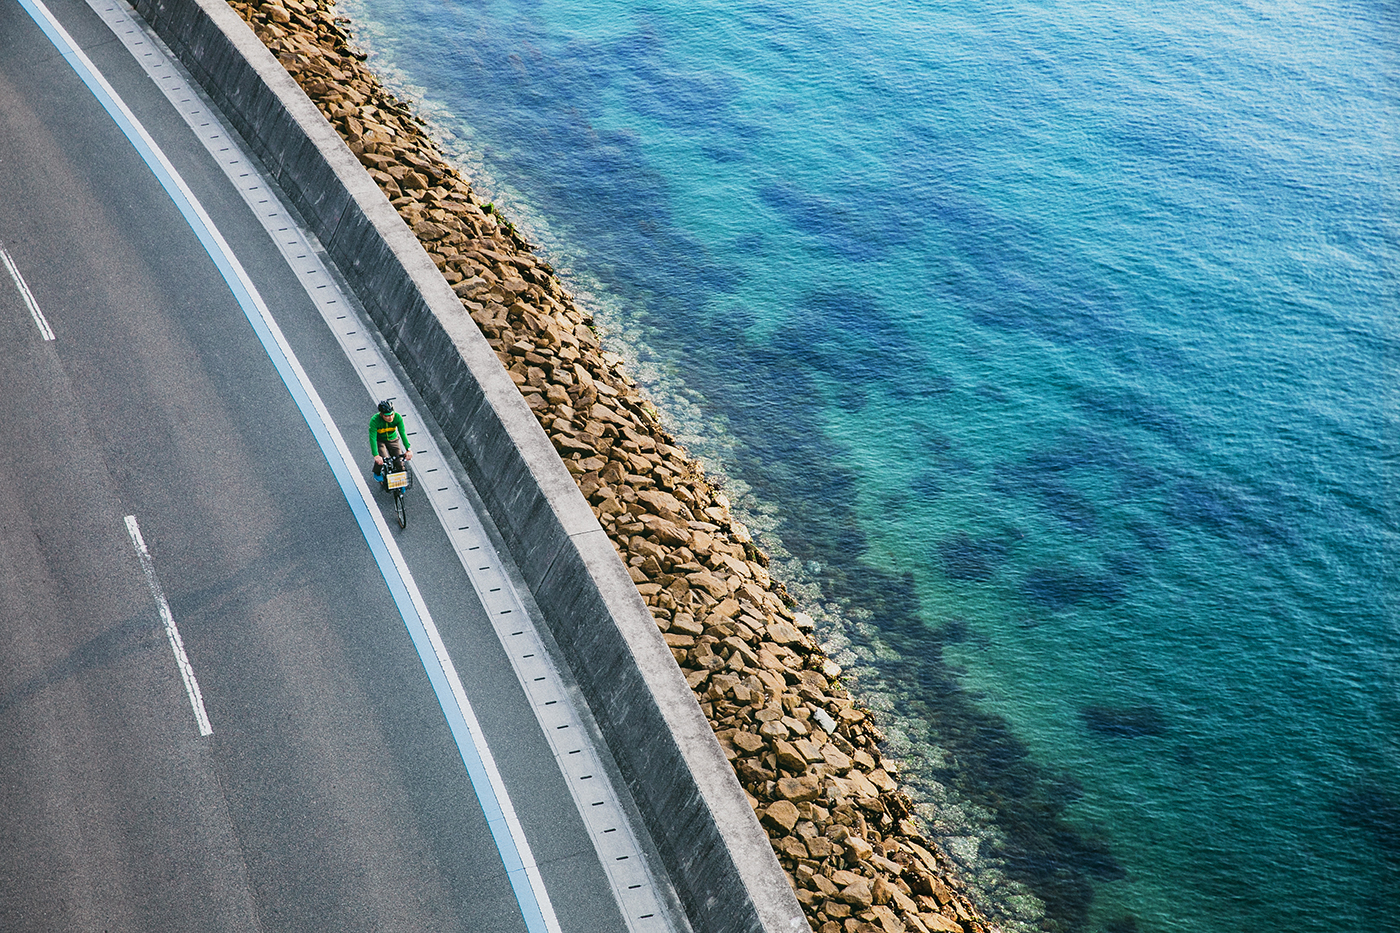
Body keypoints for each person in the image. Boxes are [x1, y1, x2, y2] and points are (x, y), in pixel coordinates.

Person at [369, 399, 412, 479]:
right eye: (387, 416)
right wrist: (376, 455)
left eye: (392, 414)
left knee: (399, 462)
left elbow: (402, 433)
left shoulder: (398, 417)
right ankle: (377, 472)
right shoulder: (375, 420)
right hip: (380, 440)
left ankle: (400, 482)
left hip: (393, 439)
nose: (390, 417)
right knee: (383, 460)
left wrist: (408, 449)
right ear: (381, 414)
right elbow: (373, 438)